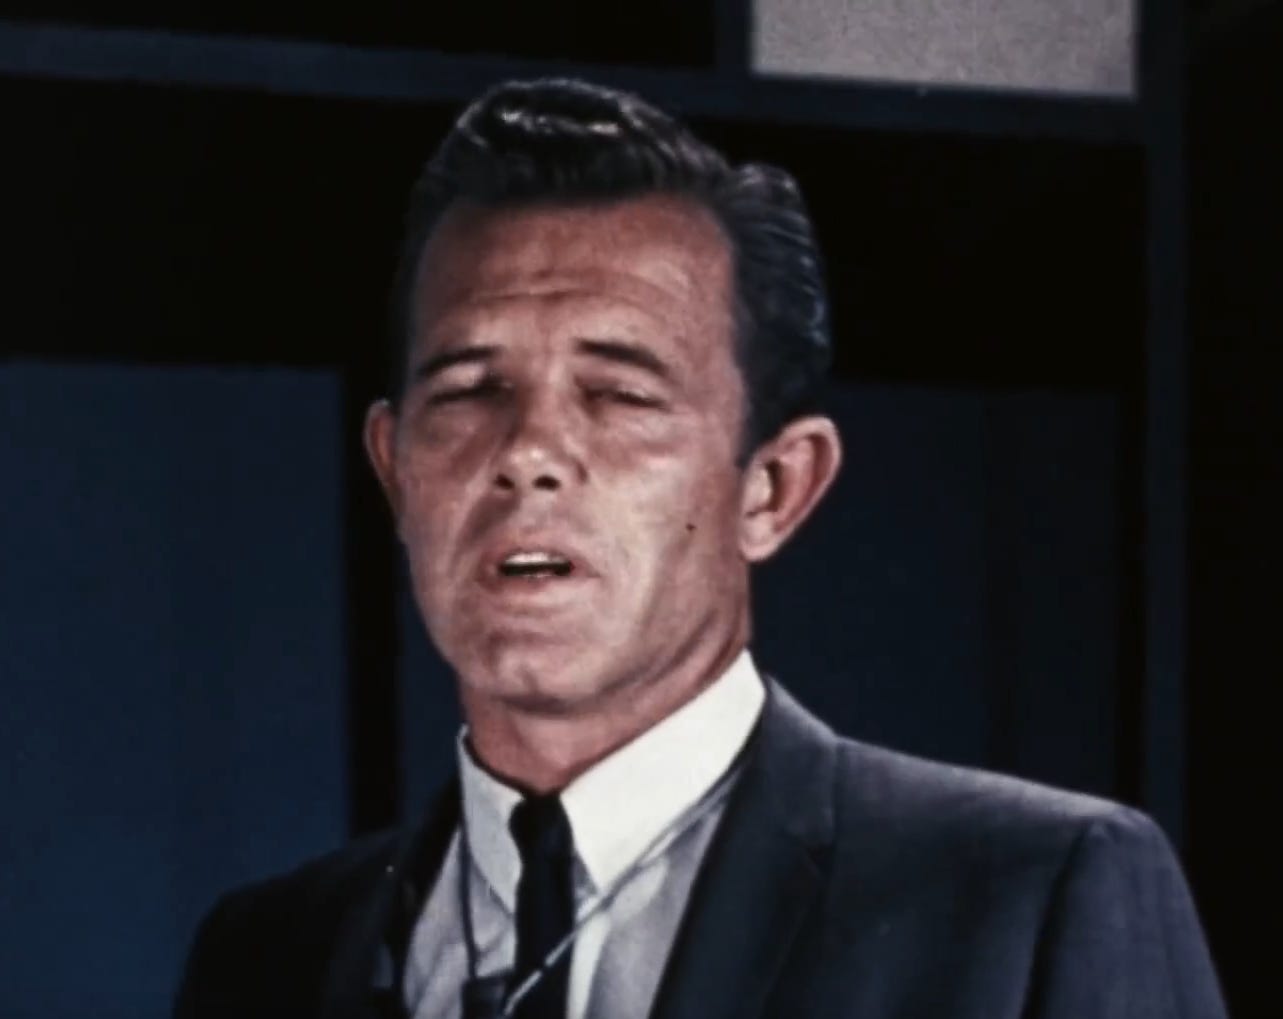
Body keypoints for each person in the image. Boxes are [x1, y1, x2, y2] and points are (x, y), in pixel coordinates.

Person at [174, 78, 1227, 1019]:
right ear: (395, 470)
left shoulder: (1028, 896)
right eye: (468, 390)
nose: (528, 452)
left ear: (772, 487)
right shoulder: (267, 954)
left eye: (619, 394)